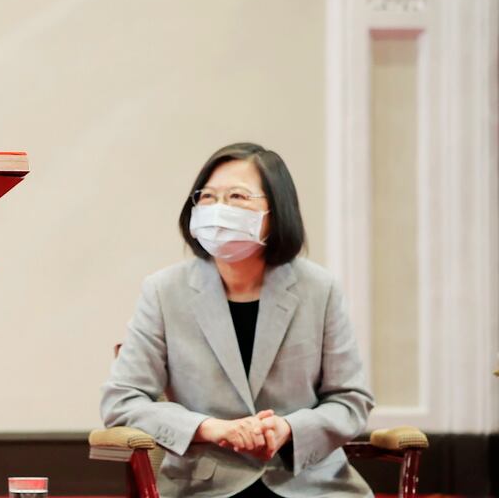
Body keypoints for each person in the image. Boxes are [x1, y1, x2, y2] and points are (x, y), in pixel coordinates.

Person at [100, 143, 375, 497]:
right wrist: (209, 428)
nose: (219, 210)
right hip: (204, 485)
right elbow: (122, 401)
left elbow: (350, 400)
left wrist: (288, 429)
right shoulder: (164, 291)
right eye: (208, 197)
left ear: (276, 212)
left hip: (309, 483)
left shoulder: (319, 289)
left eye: (237, 197)